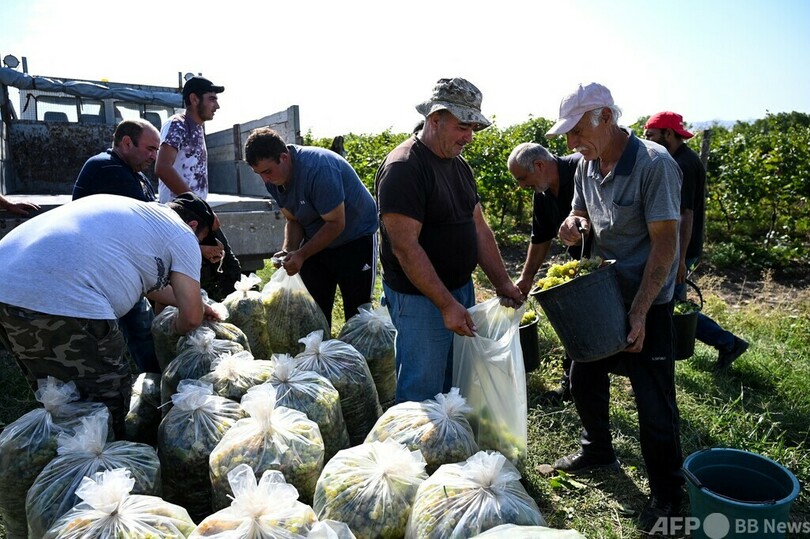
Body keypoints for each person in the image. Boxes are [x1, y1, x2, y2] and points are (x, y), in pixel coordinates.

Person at [546, 82, 684, 532]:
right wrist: (573, 224)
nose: (569, 144)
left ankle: (667, 495)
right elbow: (581, 213)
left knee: (653, 401)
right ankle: (597, 448)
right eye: (566, 135)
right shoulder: (587, 165)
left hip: (648, 297)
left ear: (605, 117)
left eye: (575, 131)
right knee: (583, 375)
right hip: (600, 294)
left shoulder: (654, 165)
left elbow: (665, 247)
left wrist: (641, 312)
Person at [0, 192, 220, 439]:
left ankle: (64, 460)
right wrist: (172, 329)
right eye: (202, 241)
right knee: (105, 400)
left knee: (61, 394)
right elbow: (190, 319)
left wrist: (196, 303)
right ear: (193, 226)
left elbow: (154, 286)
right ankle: (97, 469)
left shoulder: (138, 214)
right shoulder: (183, 234)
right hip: (62, 299)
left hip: (7, 286)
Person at [375, 77, 524, 404]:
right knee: (422, 390)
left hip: (459, 291)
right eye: (462, 126)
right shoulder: (404, 168)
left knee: (454, 383)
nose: (469, 137)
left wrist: (503, 283)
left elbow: (478, 227)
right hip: (420, 299)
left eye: (473, 128)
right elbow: (405, 246)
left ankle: (448, 449)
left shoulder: (459, 166)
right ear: (435, 119)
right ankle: (413, 453)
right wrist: (445, 305)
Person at [644, 111, 749, 368]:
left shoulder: (682, 164)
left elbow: (685, 215)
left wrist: (678, 260)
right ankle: (725, 343)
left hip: (680, 249)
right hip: (678, 248)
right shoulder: (678, 158)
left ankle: (727, 342)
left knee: (671, 303)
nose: (646, 140)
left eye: (651, 135)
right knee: (672, 303)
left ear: (668, 134)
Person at [244, 127, 379, 325]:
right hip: (317, 239)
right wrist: (289, 251)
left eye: (267, 171)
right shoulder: (273, 178)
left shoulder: (318, 168)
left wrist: (301, 254)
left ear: (284, 157)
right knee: (314, 313)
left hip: (355, 237)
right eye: (259, 174)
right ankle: (319, 354)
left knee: (358, 315)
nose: (265, 179)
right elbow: (294, 219)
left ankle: (359, 356)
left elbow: (336, 223)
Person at [73, 118, 162, 373]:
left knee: (141, 329)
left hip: (117, 267)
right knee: (117, 340)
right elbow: (150, 220)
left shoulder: (134, 173)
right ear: (126, 142)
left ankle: (152, 382)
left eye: (156, 150)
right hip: (99, 273)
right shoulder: (107, 168)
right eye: (150, 148)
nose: (154, 156)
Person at [507, 142, 582, 404]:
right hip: (584, 265)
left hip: (611, 262)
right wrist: (526, 277)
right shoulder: (542, 194)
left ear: (539, 166)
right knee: (575, 323)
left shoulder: (582, 168)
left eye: (522, 178)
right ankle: (572, 383)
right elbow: (540, 239)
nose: (521, 185)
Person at [155, 76, 241, 301]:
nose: (217, 105)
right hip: (183, 217)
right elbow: (162, 167)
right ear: (194, 99)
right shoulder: (178, 124)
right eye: (212, 99)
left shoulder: (198, 128)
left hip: (197, 214)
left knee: (224, 270)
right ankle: (175, 329)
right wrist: (201, 207)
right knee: (186, 279)